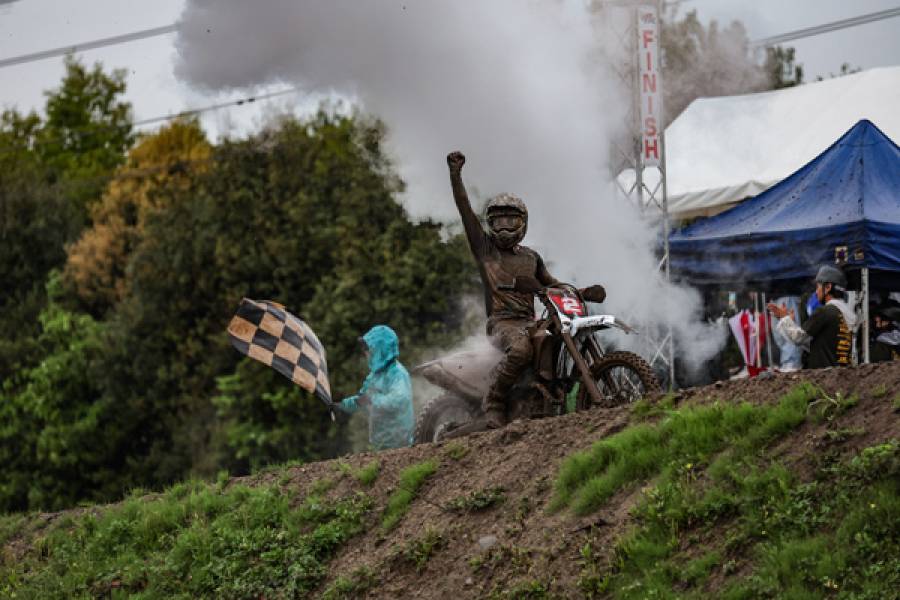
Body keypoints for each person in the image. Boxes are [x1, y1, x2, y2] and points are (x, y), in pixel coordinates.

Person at [446, 151, 605, 428]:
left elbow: (551, 283)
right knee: (520, 351)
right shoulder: (486, 250)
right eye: (498, 221)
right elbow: (464, 211)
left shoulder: (531, 257)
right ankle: (494, 401)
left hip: (529, 321)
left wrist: (578, 291)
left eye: (511, 220)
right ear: (490, 224)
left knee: (554, 335)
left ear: (523, 222)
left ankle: (546, 390)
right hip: (502, 322)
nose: (505, 226)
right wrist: (455, 174)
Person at [334, 325, 414, 450]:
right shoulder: (375, 376)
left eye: (369, 350)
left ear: (380, 350)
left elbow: (400, 400)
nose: (366, 354)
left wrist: (373, 399)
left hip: (400, 445)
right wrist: (341, 406)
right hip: (380, 446)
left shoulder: (398, 373)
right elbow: (362, 399)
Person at [767, 265, 856, 369]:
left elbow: (798, 338)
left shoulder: (824, 312)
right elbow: (814, 344)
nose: (816, 291)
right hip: (842, 376)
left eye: (818, 286)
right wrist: (789, 321)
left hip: (824, 377)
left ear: (828, 287)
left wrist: (784, 318)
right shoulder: (847, 314)